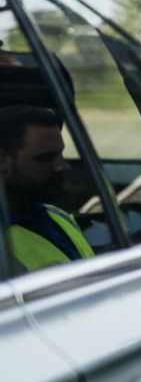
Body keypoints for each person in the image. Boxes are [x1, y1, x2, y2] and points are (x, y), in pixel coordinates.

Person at [0, 105, 93, 273]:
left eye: (60, 154)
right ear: (2, 162)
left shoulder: (57, 216)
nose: (63, 166)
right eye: (45, 158)